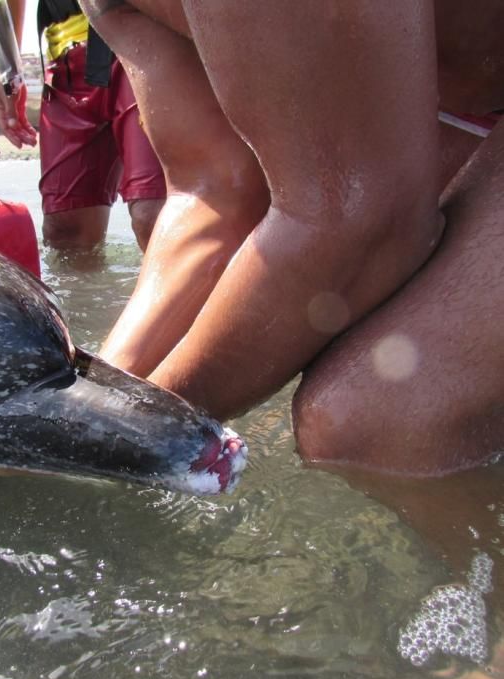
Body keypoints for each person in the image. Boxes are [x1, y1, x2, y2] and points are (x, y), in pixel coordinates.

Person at [68, 0, 504, 478]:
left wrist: (122, 440)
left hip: (449, 106)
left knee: (369, 416)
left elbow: (363, 223)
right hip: (453, 96)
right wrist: (81, 400)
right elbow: (216, 192)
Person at [0, 0, 165, 251]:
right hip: (64, 56)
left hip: (143, 34)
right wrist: (6, 70)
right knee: (64, 231)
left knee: (153, 216)